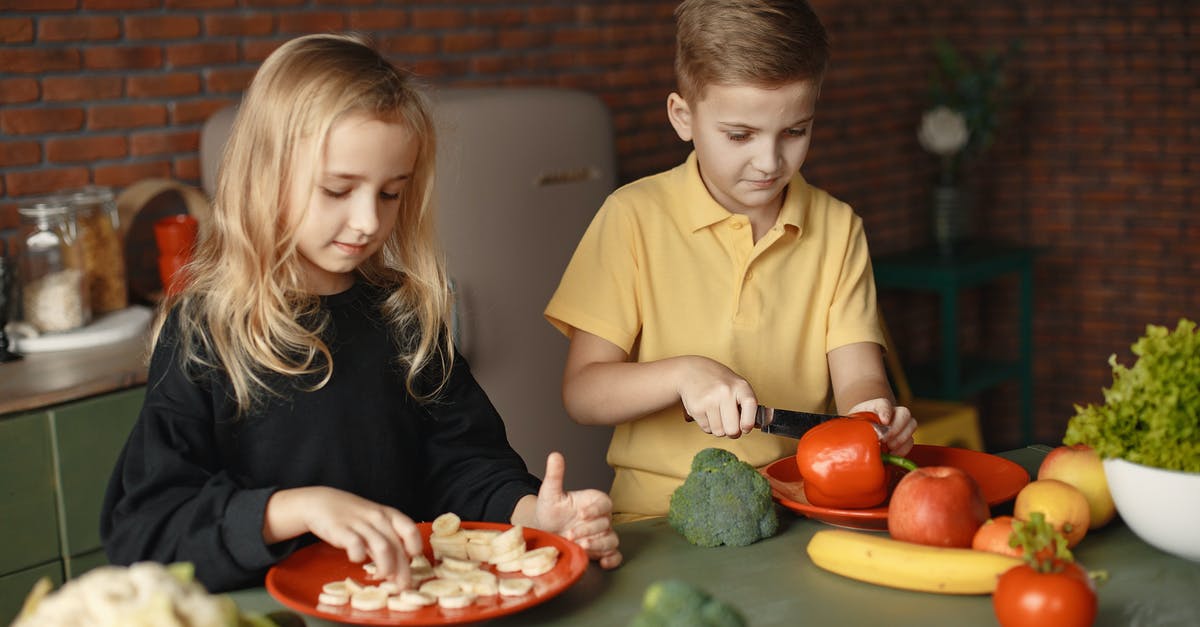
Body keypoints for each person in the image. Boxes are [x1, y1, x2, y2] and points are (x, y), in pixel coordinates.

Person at [101, 33, 621, 593]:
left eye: (390, 193)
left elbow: (465, 467)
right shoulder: (205, 332)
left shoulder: (403, 316)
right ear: (266, 176)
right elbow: (145, 531)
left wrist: (532, 517)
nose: (368, 221)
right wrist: (297, 509)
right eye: (337, 189)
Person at [544, 0, 918, 523]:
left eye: (795, 131)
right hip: (654, 519)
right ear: (683, 117)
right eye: (740, 135)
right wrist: (682, 374)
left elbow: (858, 379)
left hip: (795, 507)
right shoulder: (632, 217)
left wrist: (872, 413)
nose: (769, 162)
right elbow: (583, 393)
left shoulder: (838, 228)